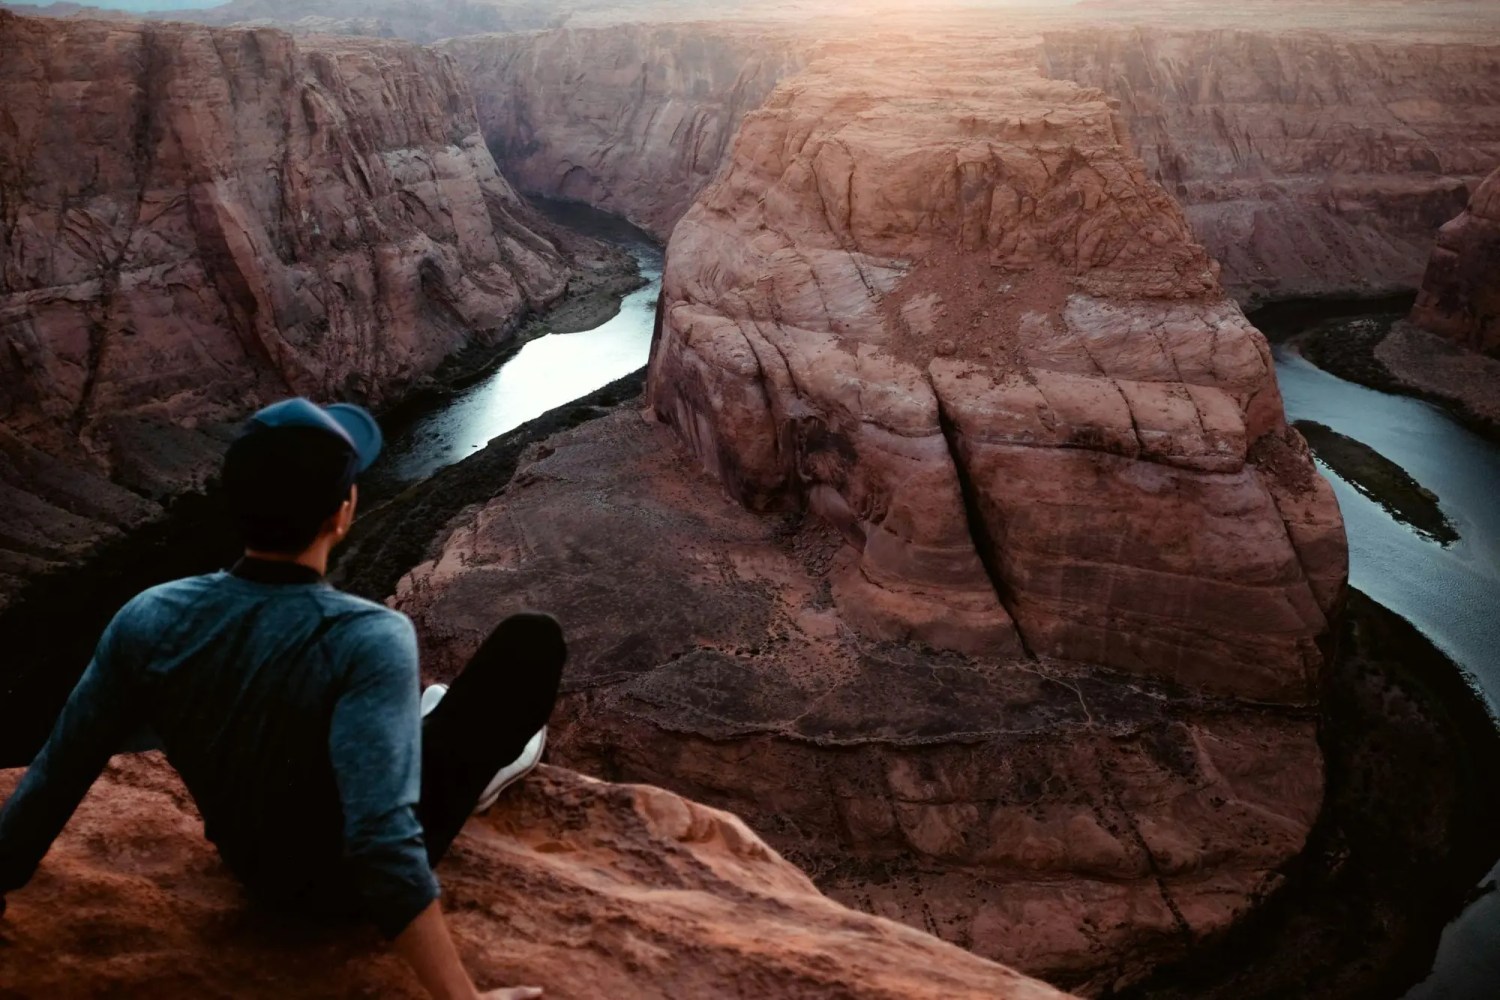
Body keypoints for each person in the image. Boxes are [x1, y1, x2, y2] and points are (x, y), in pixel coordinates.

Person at [0, 398, 564, 1000]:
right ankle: (471, 769)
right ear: (343, 513)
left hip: (252, 867)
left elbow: (57, 774)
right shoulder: (367, 636)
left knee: (397, 726)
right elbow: (383, 843)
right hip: (350, 896)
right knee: (530, 642)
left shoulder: (150, 615)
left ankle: (415, 738)